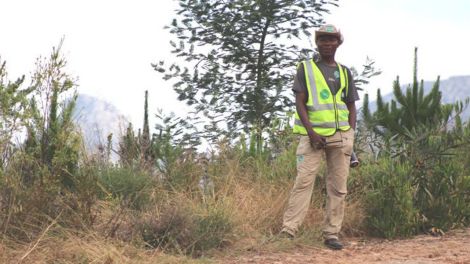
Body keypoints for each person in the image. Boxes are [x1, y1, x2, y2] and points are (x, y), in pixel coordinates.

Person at [280, 24, 359, 250]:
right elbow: (300, 102)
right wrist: (312, 133)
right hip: (312, 137)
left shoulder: (344, 72)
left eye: (331, 39)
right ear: (317, 43)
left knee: (338, 187)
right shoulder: (305, 68)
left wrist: (350, 135)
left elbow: (351, 106)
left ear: (338, 43)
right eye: (323, 39)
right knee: (303, 183)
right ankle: (288, 231)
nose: (327, 43)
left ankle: (331, 234)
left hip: (341, 137)